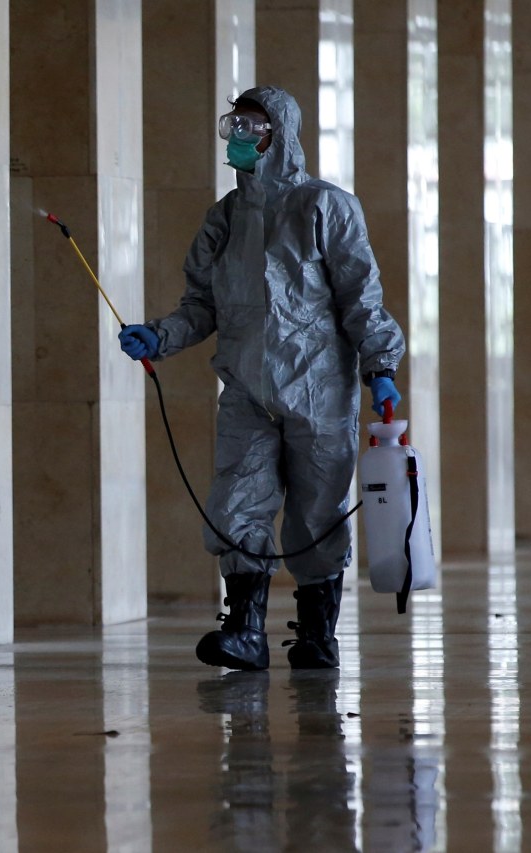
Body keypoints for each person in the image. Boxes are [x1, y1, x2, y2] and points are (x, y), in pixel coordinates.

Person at [119, 86, 405, 672]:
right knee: (234, 503)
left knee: (318, 513)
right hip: (248, 390)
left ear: (280, 133)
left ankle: (317, 637)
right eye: (234, 126)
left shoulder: (325, 207)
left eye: (251, 127)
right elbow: (202, 304)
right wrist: (163, 334)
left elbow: (361, 299)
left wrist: (381, 370)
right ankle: (245, 630)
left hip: (319, 392)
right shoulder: (223, 219)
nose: (239, 139)